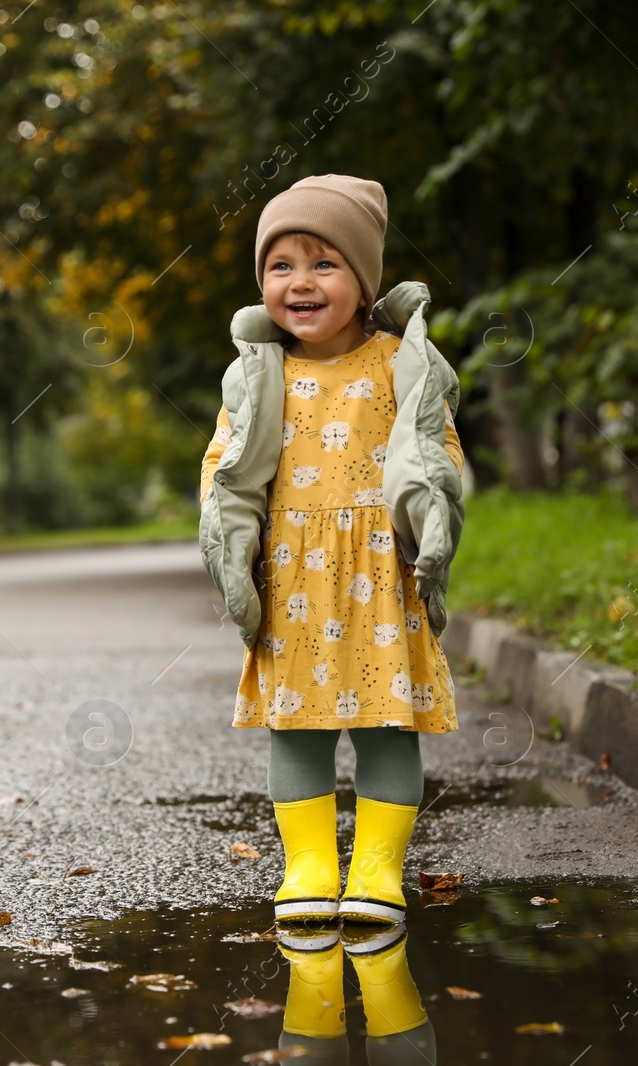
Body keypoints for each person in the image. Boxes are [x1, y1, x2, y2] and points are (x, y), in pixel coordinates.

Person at [198, 173, 466, 927]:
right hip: (293, 581)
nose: (301, 282)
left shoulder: (398, 362)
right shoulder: (259, 371)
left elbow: (434, 448)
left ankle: (378, 870)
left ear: (361, 277)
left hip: (383, 575)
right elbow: (226, 467)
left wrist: (433, 516)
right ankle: (309, 866)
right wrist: (227, 543)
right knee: (298, 727)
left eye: (324, 263)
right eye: (281, 266)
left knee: (387, 724)